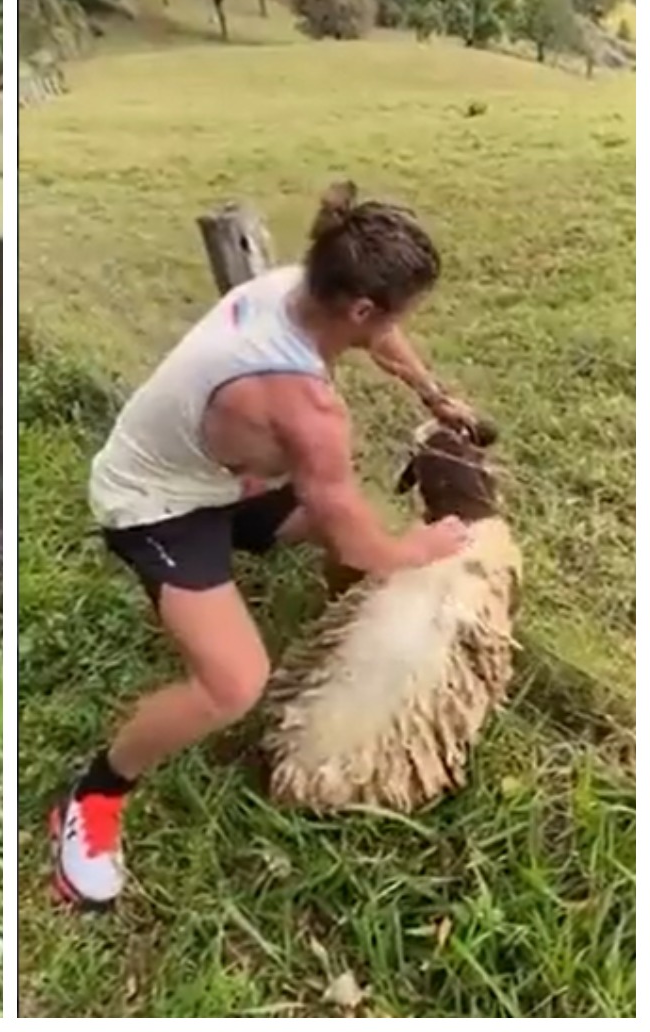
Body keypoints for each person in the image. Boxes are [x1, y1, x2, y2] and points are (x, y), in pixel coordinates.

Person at [50, 181, 482, 910]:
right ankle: (93, 798)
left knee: (354, 530)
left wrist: (431, 393)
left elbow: (381, 340)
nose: (398, 327)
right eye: (400, 313)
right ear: (361, 306)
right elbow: (350, 526)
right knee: (235, 682)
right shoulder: (302, 404)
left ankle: (343, 650)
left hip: (229, 481)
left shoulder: (296, 286)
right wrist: (422, 547)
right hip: (155, 505)